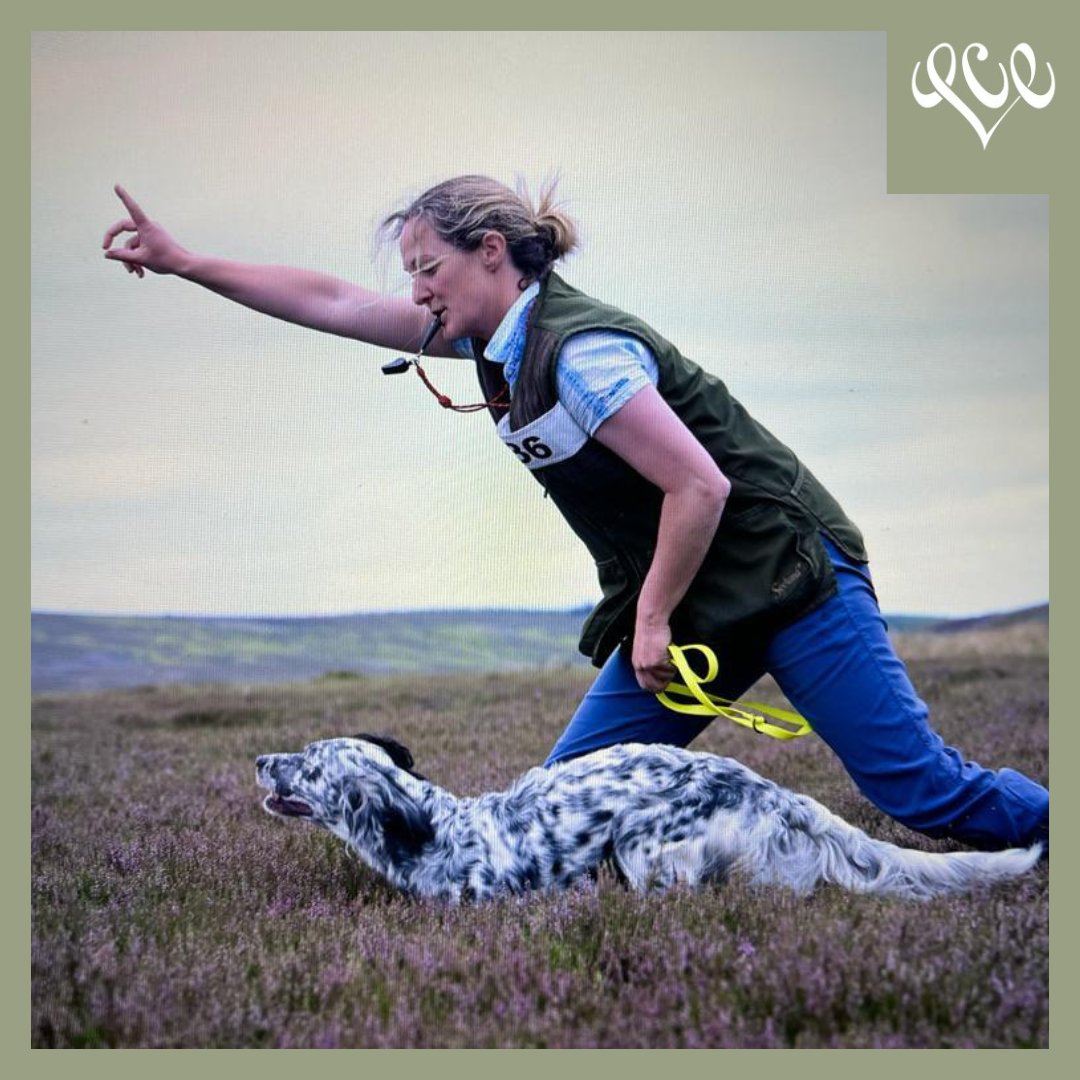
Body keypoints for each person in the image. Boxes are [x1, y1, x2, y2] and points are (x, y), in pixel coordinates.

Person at [103, 176, 1049, 853]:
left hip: (788, 577)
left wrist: (648, 618)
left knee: (921, 793)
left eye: (428, 267)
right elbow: (334, 301)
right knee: (552, 810)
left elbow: (701, 488)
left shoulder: (584, 352)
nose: (415, 290)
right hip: (696, 603)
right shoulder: (481, 338)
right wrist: (187, 262)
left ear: (492, 255)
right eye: (410, 274)